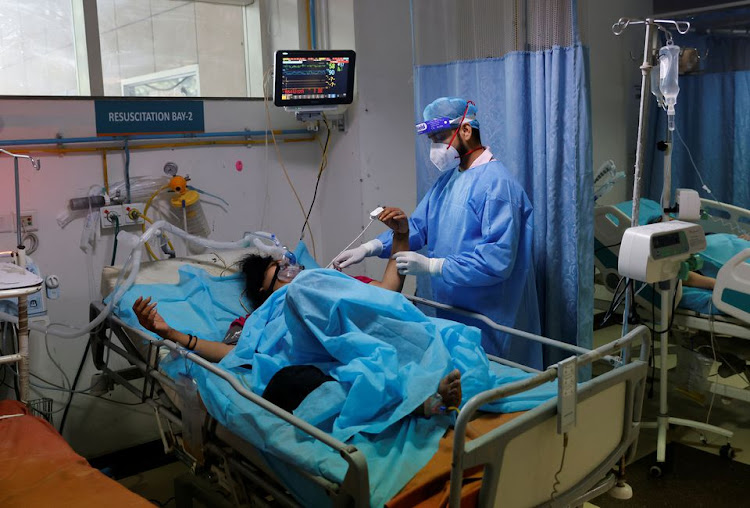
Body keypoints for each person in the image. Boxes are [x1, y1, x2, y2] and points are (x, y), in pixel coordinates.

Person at [132, 207, 462, 414]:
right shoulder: (255, 319)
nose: (294, 271)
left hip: (367, 336)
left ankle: (419, 390)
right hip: (319, 357)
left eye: (291, 264)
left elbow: (388, 294)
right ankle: (418, 401)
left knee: (386, 349)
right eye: (282, 272)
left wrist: (401, 236)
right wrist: (169, 333)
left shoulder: (332, 282)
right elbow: (228, 352)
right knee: (345, 374)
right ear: (265, 290)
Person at [333, 97, 542, 368]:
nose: (436, 148)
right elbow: (419, 228)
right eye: (432, 139)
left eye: (440, 137)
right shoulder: (449, 180)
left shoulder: (497, 186)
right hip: (453, 311)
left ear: (465, 131)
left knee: (493, 382)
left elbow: (497, 261)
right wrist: (369, 248)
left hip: (491, 315)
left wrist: (433, 265)